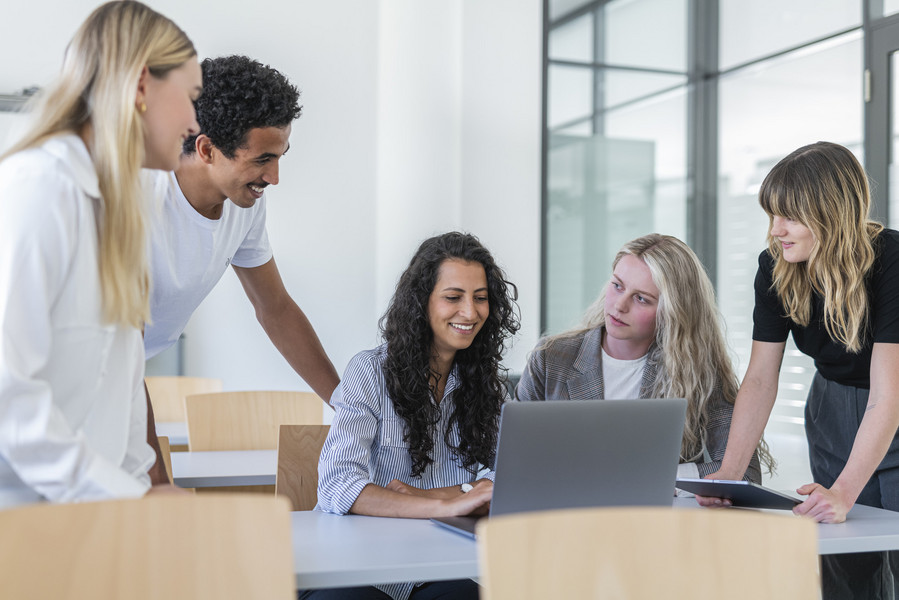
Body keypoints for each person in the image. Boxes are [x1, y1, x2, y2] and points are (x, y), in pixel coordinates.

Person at [0, 1, 201, 508]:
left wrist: (145, 489)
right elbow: (7, 391)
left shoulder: (118, 213)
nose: (195, 120)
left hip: (94, 525)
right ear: (140, 86)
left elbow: (124, 395)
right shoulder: (39, 188)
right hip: (26, 529)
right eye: (192, 95)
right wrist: (125, 499)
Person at [700, 141, 899, 599]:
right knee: (846, 566)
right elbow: (760, 378)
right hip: (832, 410)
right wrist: (730, 475)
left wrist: (844, 492)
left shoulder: (891, 262)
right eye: (772, 215)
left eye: (789, 217)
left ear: (829, 214)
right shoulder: (775, 267)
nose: (775, 230)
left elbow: (887, 394)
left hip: (891, 401)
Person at [308, 232, 520, 600]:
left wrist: (433, 496)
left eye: (481, 298)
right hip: (361, 567)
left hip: (443, 567)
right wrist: (448, 504)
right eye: (453, 297)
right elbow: (338, 485)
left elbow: (501, 484)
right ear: (421, 302)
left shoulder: (493, 388)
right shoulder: (368, 372)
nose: (470, 313)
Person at [142, 54, 339, 404]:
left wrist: (347, 407)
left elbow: (275, 308)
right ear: (206, 150)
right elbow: (115, 344)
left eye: (280, 156)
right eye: (262, 160)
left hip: (123, 359)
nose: (274, 178)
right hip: (65, 360)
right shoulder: (138, 199)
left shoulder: (243, 202)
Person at [517, 233, 773, 484]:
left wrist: (655, 480)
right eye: (617, 286)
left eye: (641, 299)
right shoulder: (550, 360)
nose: (619, 306)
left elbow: (744, 473)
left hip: (653, 521)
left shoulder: (697, 371)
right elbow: (514, 462)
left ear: (672, 312)